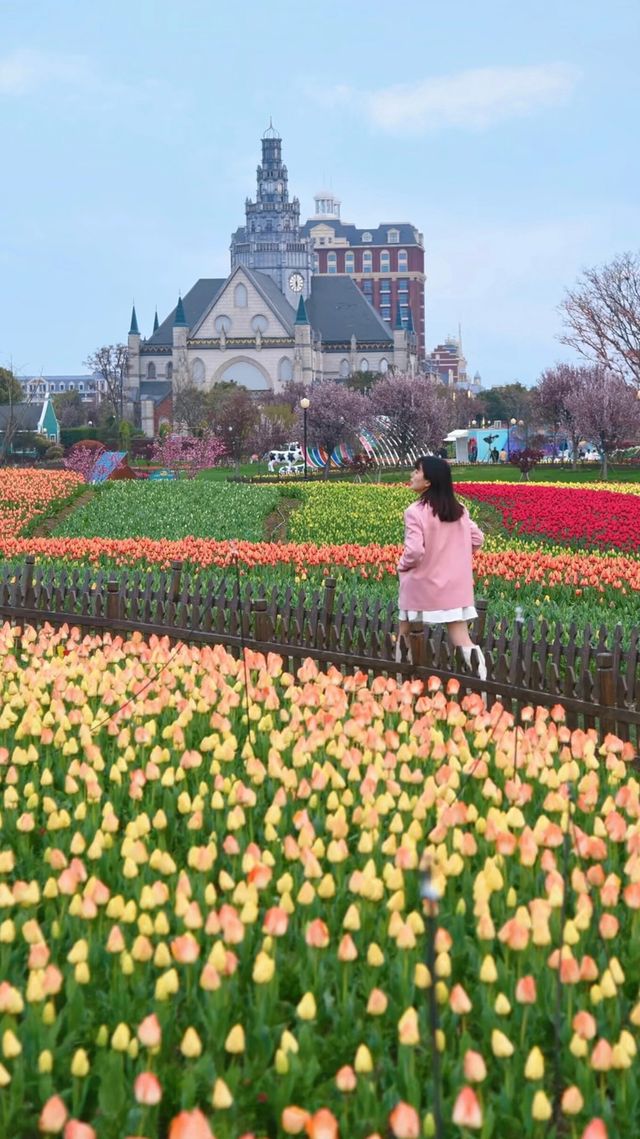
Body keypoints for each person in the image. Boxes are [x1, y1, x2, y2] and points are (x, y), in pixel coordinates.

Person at [397, 456, 486, 680]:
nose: (412, 475)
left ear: (428, 481)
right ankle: (483, 682)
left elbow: (415, 552)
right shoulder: (458, 510)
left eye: (416, 471)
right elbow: (477, 540)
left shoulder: (415, 512)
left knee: (405, 635)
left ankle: (400, 684)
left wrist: (402, 565)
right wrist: (455, 557)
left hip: (421, 588)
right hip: (455, 590)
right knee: (464, 640)